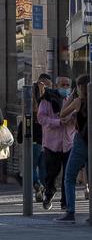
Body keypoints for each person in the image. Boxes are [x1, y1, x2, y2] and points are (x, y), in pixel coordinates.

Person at [56, 76, 88, 223]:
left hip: (81, 143)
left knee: (69, 177)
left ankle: (70, 212)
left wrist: (71, 97)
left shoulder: (78, 101)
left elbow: (62, 113)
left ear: (80, 87)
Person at [38, 77, 72, 212]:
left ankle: (65, 202)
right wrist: (57, 122)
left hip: (68, 142)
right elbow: (41, 118)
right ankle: (49, 194)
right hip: (52, 143)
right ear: (57, 86)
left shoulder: (71, 100)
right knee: (52, 173)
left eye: (67, 85)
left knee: (68, 175)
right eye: (62, 85)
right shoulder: (47, 100)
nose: (65, 87)